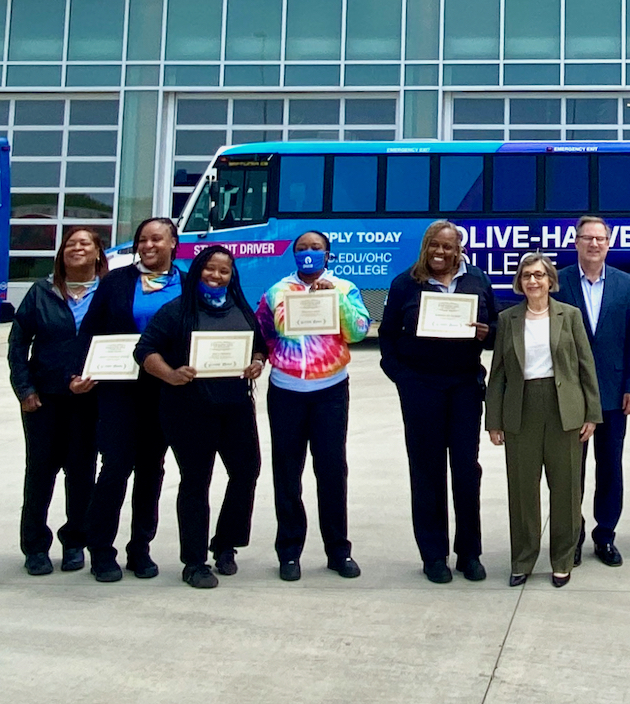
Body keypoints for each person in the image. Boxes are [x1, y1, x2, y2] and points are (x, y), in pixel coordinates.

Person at [135, 244, 269, 589]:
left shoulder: (240, 307)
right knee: (196, 482)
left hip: (235, 407)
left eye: (224, 271)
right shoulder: (176, 310)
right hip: (188, 410)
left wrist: (256, 362)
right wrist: (169, 374)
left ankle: (226, 544)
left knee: (246, 472)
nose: (216, 276)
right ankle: (194, 562)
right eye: (210, 269)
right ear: (197, 271)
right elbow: (144, 350)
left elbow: (259, 345)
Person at [379, 221, 501, 584]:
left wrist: (487, 332)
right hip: (420, 387)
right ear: (425, 246)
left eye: (448, 247)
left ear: (458, 249)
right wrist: (401, 378)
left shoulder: (476, 280)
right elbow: (387, 335)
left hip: (464, 385)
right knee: (427, 471)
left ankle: (469, 553)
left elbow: (495, 326)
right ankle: (433, 555)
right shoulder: (406, 283)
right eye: (434, 245)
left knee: (466, 470)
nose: (440, 253)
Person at [70, 216, 182, 582]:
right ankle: (101, 549)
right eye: (142, 240)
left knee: (152, 470)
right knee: (115, 468)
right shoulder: (117, 281)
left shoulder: (185, 282)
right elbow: (89, 330)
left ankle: (140, 548)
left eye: (156, 240)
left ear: (172, 244)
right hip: (119, 388)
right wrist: (78, 371)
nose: (148, 246)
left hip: (165, 389)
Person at [256, 229, 371, 581]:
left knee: (333, 471)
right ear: (294, 255)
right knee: (288, 473)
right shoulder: (277, 291)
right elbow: (262, 333)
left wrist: (335, 299)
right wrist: (264, 358)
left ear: (328, 254)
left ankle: (338, 551)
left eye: (316, 248)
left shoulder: (345, 288)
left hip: (330, 392)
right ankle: (289, 552)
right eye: (302, 248)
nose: (309, 253)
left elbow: (359, 331)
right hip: (286, 391)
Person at [486, 253, 602, 588]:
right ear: (519, 282)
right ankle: (523, 559)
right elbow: (499, 374)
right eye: (526, 276)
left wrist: (591, 413)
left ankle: (563, 559)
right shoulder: (508, 319)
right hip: (520, 410)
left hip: (563, 407)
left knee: (565, 488)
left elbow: (585, 366)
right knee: (522, 490)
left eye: (539, 275)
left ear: (551, 280)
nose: (533, 281)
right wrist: (494, 419)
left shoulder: (570, 316)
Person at [6, 226, 105, 577]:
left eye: (85, 243)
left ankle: (75, 541)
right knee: (40, 474)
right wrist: (25, 390)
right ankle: (35, 546)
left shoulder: (108, 291)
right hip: (44, 400)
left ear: (97, 252)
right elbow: (18, 345)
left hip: (91, 399)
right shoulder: (40, 293)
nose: (76, 248)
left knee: (81, 474)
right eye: (70, 244)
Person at [556, 215, 630, 567]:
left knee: (610, 467)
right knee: (570, 471)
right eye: (587, 238)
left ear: (609, 243)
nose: (594, 244)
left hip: (613, 394)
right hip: (570, 394)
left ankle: (605, 535)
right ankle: (573, 536)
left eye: (600, 238)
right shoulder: (559, 282)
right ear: (575, 242)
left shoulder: (626, 285)